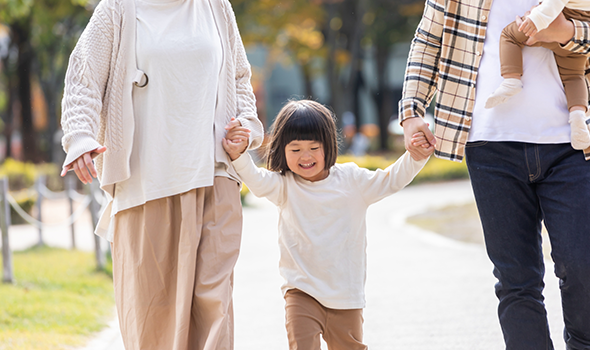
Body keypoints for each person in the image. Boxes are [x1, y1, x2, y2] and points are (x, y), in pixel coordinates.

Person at [59, 0, 264, 349]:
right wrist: (80, 137)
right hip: (146, 180)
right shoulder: (117, 9)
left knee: (215, 308)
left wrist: (244, 124)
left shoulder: (215, 7)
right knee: (152, 314)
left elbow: (239, 77)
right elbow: (84, 77)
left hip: (215, 177)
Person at [400, 0, 590, 348]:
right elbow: (428, 39)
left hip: (573, 143)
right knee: (516, 282)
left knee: (583, 267)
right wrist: (412, 111)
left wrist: (567, 32)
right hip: (490, 145)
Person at [222, 99, 431, 349]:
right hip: (301, 291)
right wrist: (238, 155)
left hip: (345, 296)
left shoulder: (352, 181)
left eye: (313, 147)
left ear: (328, 145)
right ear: (282, 150)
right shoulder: (285, 186)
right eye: (295, 149)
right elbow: (256, 179)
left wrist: (415, 157)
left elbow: (391, 180)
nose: (305, 156)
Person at [485, 1, 590, 150]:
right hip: (582, 23)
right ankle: (578, 116)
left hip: (555, 19)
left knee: (509, 35)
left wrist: (536, 20)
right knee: (574, 76)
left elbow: (555, 2)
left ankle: (511, 80)